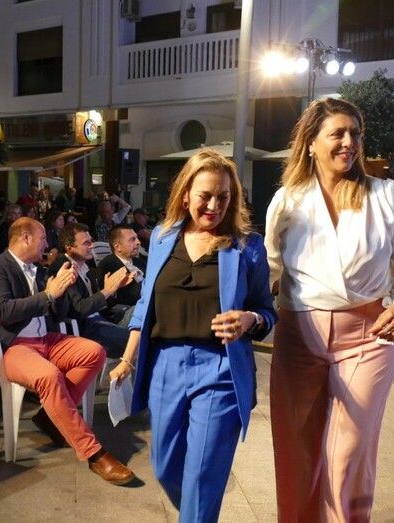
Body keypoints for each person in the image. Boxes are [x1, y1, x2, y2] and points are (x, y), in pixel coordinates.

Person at [264, 98, 394, 522]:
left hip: (369, 338)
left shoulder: (383, 194)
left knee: (346, 457)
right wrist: (246, 308)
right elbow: (269, 270)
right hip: (298, 338)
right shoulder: (287, 201)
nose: (349, 142)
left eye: (355, 133)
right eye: (337, 133)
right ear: (311, 143)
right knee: (295, 455)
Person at [110, 149, 276, 521]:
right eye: (205, 195)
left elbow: (267, 312)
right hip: (164, 365)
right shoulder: (163, 236)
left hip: (220, 369)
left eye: (224, 197)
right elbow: (146, 305)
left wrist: (249, 318)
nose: (214, 205)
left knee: (201, 478)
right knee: (165, 466)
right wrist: (127, 359)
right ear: (185, 194)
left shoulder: (247, 246)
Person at [0, 217, 134, 485]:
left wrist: (61, 292)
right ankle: (93, 453)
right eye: (43, 238)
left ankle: (50, 417)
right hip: (9, 345)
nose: (47, 243)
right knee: (49, 376)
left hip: (43, 339)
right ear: (25, 237)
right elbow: (3, 311)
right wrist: (48, 294)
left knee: (94, 352)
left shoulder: (38, 269)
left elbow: (59, 313)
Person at [48, 222, 133, 358]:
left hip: (103, 319)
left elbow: (100, 304)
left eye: (91, 241)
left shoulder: (86, 267)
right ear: (69, 248)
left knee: (143, 312)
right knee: (137, 339)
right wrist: (107, 291)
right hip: (86, 329)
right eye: (86, 243)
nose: (92, 246)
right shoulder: (63, 270)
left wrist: (114, 289)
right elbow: (79, 309)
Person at [97, 224, 147, 316]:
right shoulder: (107, 265)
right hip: (125, 313)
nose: (138, 242)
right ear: (117, 246)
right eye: (132, 239)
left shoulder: (140, 262)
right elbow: (108, 300)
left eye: (137, 238)